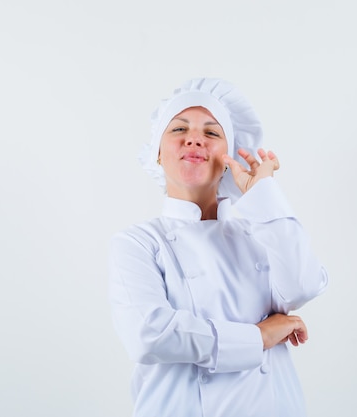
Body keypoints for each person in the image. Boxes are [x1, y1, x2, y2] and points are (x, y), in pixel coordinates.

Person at [108, 78, 328, 417]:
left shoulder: (260, 232)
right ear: (156, 153)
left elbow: (304, 285)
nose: (194, 138)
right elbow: (150, 334)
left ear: (228, 158)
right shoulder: (138, 242)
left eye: (212, 133)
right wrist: (259, 338)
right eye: (179, 128)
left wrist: (264, 194)